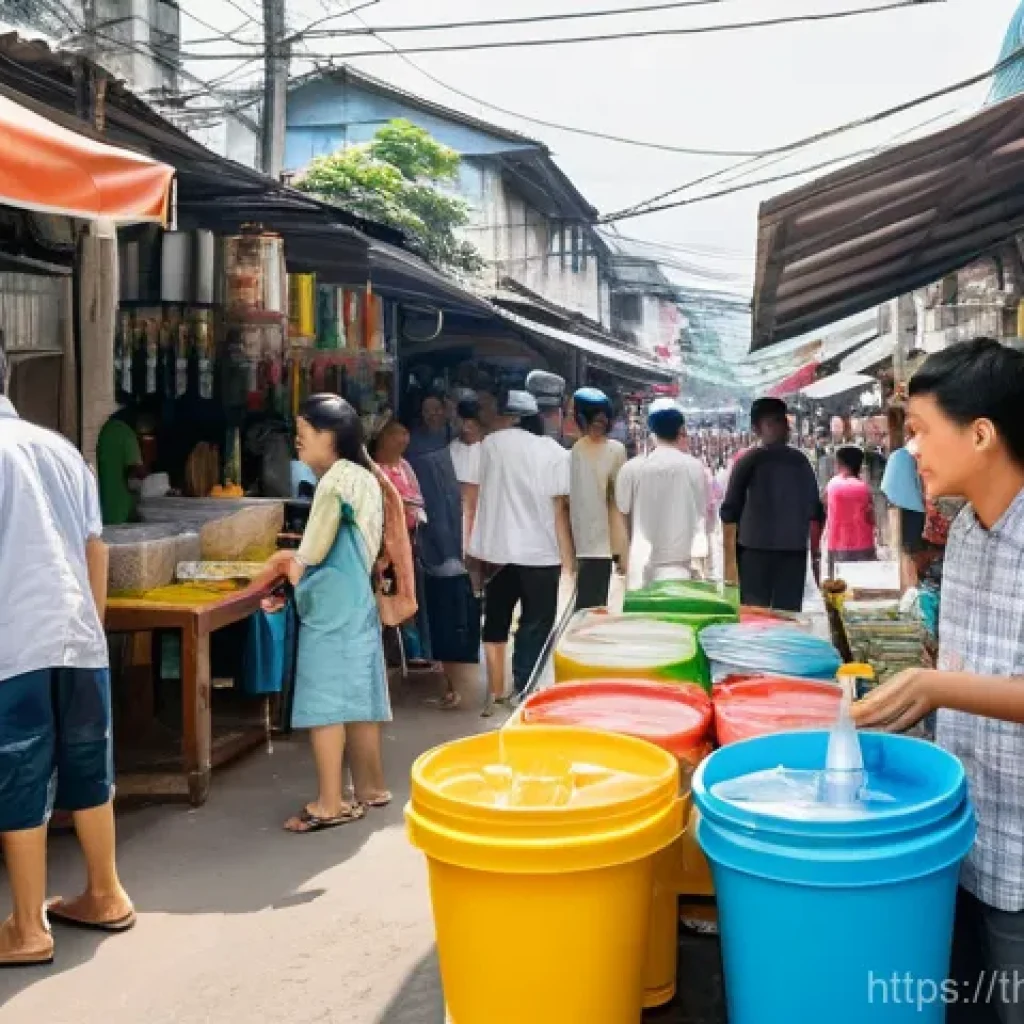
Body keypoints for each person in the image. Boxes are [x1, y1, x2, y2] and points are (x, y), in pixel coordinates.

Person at [852, 339, 1024, 1024]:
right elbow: (963, 666)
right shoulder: (966, 533)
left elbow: (958, 686)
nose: (910, 450)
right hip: (960, 835)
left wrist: (939, 691)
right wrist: (921, 689)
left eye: (921, 431)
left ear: (981, 433)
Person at [0, 341, 134, 965]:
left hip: (13, 643)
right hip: (79, 636)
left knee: (19, 776)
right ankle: (105, 894)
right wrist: (95, 632)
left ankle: (27, 929)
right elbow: (95, 547)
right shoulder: (58, 449)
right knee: (89, 766)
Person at [261, 395, 391, 833]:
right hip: (358, 603)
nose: (298, 446)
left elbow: (312, 552)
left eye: (303, 437)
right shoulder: (366, 477)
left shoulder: (335, 481)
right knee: (360, 694)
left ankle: (329, 802)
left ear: (328, 436)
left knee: (325, 705)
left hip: (332, 605)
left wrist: (281, 563)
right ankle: (371, 788)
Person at [465, 390, 570, 715]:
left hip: (496, 551)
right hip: (541, 552)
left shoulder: (488, 446)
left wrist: (469, 545)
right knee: (536, 623)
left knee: (495, 619)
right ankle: (525, 689)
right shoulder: (552, 450)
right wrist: (569, 559)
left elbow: (471, 496)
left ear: (509, 416)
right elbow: (560, 507)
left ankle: (495, 691)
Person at [405, 394, 481, 707]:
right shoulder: (434, 451)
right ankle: (454, 681)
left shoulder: (452, 449)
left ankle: (457, 682)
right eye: (428, 409)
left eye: (438, 409)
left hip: (459, 548)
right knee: (452, 616)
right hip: (443, 547)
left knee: (459, 616)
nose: (434, 415)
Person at [720, 397, 824, 612]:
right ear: (757, 428)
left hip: (784, 552)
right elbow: (729, 512)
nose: (782, 428)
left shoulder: (799, 461)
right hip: (758, 554)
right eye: (773, 422)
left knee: (772, 615)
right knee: (769, 616)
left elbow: (815, 512)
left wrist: (815, 554)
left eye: (783, 421)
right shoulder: (753, 462)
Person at [615, 399, 709, 591]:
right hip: (682, 564)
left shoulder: (632, 469)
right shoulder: (695, 467)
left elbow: (622, 510)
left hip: (640, 565)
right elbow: (701, 509)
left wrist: (621, 559)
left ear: (652, 434)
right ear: (681, 430)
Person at [371, 420, 439, 678]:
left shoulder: (405, 466)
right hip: (384, 541)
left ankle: (414, 649)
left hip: (409, 539)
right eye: (397, 437)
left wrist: (409, 505)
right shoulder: (375, 470)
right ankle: (399, 650)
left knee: (409, 590)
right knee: (392, 590)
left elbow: (419, 498)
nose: (402, 442)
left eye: (405, 437)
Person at [568, 388, 627, 611]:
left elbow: (614, 502)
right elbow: (616, 502)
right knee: (591, 609)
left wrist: (621, 548)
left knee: (585, 609)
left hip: (588, 546)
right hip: (595, 547)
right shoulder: (611, 450)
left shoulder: (574, 450)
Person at [880, 405, 927, 584]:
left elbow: (889, 489)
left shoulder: (901, 456)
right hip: (918, 510)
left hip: (910, 511)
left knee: (909, 554)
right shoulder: (905, 454)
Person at [824, 445, 876, 579]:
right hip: (863, 545)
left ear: (839, 463)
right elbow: (871, 518)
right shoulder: (864, 488)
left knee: (837, 591)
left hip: (836, 545)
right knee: (862, 587)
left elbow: (825, 509)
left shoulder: (832, 484)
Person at [96, 405, 147, 525]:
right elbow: (135, 473)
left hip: (101, 510)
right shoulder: (127, 434)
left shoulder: (104, 430)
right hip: (122, 512)